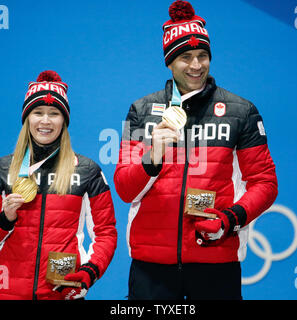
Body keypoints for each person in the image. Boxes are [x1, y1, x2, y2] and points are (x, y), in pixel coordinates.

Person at [114, 0, 278, 300]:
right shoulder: (140, 111)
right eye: (185, 56)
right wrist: (151, 158)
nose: (196, 65)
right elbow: (125, 188)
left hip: (216, 261)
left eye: (203, 55)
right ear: (169, 61)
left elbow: (265, 183)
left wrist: (231, 219)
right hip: (152, 268)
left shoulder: (241, 111)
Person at [0, 70, 117, 300]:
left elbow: (106, 233)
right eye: (38, 112)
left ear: (65, 120)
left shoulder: (87, 171)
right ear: (27, 117)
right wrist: (4, 218)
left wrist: (90, 272)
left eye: (54, 113)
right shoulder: (1, 170)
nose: (46, 121)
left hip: (62, 293)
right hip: (9, 293)